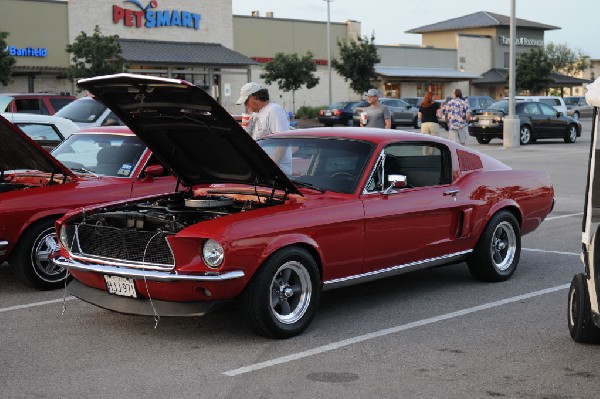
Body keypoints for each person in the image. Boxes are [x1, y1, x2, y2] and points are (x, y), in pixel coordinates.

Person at [236, 82, 292, 174]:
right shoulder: (256, 113)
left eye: (246, 101)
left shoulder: (274, 110)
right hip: (262, 168)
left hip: (276, 170)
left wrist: (273, 167)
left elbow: (282, 140)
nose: (245, 105)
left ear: (254, 97)